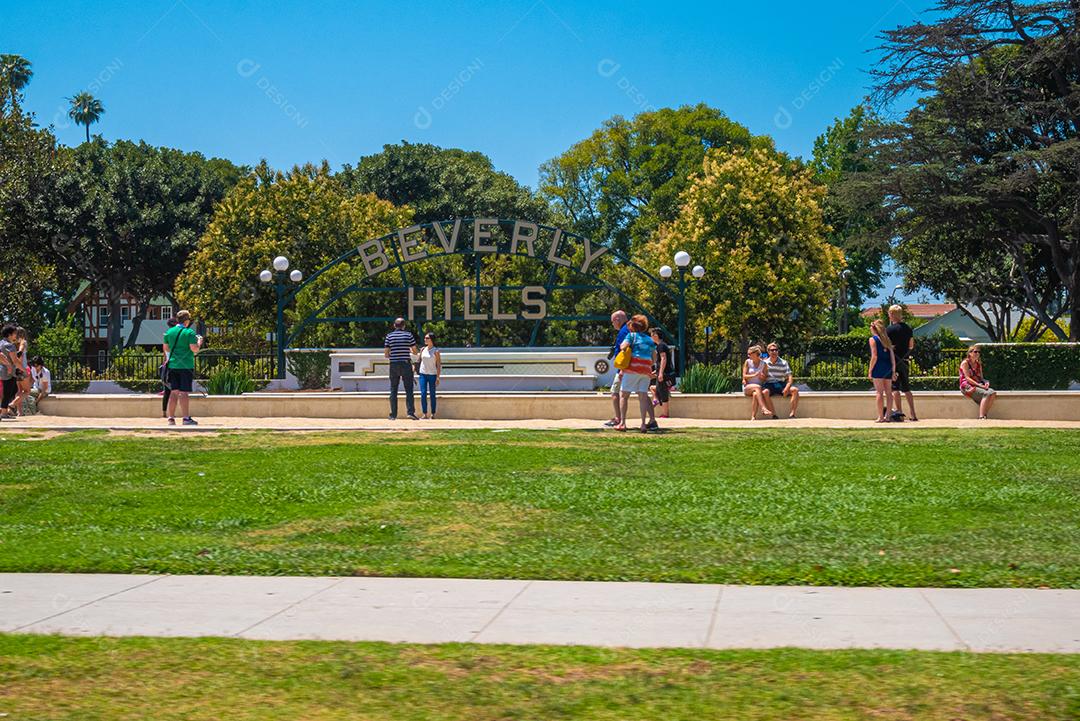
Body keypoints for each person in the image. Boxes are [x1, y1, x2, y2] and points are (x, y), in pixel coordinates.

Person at [615, 314, 658, 432]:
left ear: (632, 326)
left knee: (624, 395)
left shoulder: (631, 336)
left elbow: (623, 346)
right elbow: (654, 357)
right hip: (645, 370)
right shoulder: (649, 339)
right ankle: (643, 424)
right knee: (643, 396)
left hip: (632, 370)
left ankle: (622, 423)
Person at [162, 310, 203, 426]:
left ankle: (171, 418)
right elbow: (194, 349)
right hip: (185, 366)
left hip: (172, 366)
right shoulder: (189, 332)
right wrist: (199, 342)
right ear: (187, 321)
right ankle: (185, 418)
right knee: (184, 393)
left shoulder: (169, 332)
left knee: (173, 392)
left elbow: (166, 348)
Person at [886, 305, 918, 422]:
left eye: (889, 313)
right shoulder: (908, 329)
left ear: (893, 314)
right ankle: (913, 414)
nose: (889, 315)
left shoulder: (889, 330)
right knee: (907, 388)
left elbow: (887, 345)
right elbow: (911, 345)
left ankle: (899, 412)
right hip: (904, 360)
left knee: (895, 388)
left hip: (894, 360)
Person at [384, 317, 419, 420]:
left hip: (394, 364)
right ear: (404, 326)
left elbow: (386, 354)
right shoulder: (408, 335)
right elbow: (415, 351)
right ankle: (410, 412)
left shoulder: (389, 336)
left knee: (393, 389)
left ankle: (393, 415)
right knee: (409, 389)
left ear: (394, 326)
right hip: (405, 364)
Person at [604, 310, 630, 428]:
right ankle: (651, 420)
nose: (612, 324)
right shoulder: (630, 329)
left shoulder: (623, 332)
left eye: (612, 322)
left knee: (615, 392)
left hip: (623, 368)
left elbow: (623, 351)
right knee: (643, 394)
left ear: (617, 320)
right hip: (635, 367)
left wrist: (621, 370)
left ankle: (618, 419)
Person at [761, 342, 800, 419]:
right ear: (768, 352)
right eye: (772, 350)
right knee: (765, 392)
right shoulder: (764, 363)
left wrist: (787, 387)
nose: (774, 352)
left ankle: (792, 414)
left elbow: (789, 376)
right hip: (769, 384)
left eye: (776, 350)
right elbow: (762, 377)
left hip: (780, 384)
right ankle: (774, 415)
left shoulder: (783, 362)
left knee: (795, 390)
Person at [868, 319, 897, 423]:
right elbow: (892, 356)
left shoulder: (873, 339)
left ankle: (880, 417)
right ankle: (888, 416)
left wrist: (870, 370)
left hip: (878, 366)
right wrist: (893, 370)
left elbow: (874, 356)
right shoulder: (887, 340)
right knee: (889, 392)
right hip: (888, 366)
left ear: (874, 328)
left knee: (879, 392)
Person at [959, 344, 997, 419]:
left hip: (977, 385)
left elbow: (981, 378)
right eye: (975, 352)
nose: (977, 354)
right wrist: (980, 386)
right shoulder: (965, 363)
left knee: (992, 393)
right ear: (970, 353)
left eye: (979, 352)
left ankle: (984, 414)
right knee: (986, 393)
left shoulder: (978, 364)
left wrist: (986, 382)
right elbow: (967, 378)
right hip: (966, 386)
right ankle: (981, 416)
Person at [649, 327, 674, 419]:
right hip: (662, 372)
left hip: (664, 374)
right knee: (652, 387)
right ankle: (655, 399)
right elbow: (660, 361)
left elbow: (664, 358)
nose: (651, 337)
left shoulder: (661, 346)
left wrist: (660, 373)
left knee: (663, 393)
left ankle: (665, 413)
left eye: (652, 335)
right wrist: (656, 371)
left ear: (656, 335)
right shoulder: (661, 345)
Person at [742, 345, 771, 420]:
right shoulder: (747, 362)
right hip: (748, 387)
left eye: (750, 354)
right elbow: (744, 375)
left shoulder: (763, 364)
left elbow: (765, 378)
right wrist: (754, 375)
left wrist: (762, 377)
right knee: (757, 387)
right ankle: (763, 408)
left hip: (758, 388)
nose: (748, 356)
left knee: (755, 394)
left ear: (755, 354)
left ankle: (753, 416)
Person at [418, 332, 442, 419]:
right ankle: (424, 413)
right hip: (423, 374)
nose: (425, 339)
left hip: (432, 374)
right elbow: (419, 361)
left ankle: (433, 413)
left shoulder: (436, 351)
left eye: (427, 338)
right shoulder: (423, 349)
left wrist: (438, 377)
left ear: (431, 339)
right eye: (425, 338)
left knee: (432, 394)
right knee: (423, 393)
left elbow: (438, 364)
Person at [0, 325, 20, 421]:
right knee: (8, 392)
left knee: (12, 390)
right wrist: (24, 369)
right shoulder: (9, 345)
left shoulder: (1, 343)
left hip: (3, 370)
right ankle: (4, 412)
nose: (16, 335)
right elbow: (15, 361)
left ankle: (4, 410)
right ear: (9, 334)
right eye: (15, 333)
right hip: (9, 372)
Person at [160, 317, 178, 418]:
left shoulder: (167, 336)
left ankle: (164, 412)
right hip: (174, 365)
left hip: (167, 365)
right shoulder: (173, 336)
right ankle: (171, 414)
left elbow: (164, 352)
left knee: (167, 391)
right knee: (175, 390)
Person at [12, 327, 30, 416]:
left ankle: (20, 412)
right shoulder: (23, 342)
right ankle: (12, 405)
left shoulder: (12, 343)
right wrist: (22, 368)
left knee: (19, 391)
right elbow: (21, 353)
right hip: (22, 368)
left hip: (14, 369)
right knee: (27, 391)